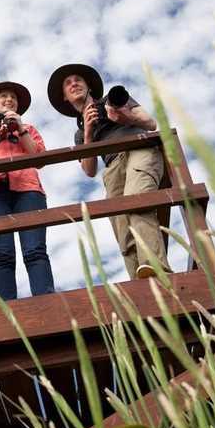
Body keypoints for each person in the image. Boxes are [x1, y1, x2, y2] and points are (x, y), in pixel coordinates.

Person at [47, 64, 168, 280]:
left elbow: (150, 123)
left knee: (137, 200)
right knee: (122, 227)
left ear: (89, 86)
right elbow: (89, 170)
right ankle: (141, 285)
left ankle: (156, 269)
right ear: (64, 96)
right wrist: (88, 133)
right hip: (112, 167)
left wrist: (125, 118)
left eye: (78, 79)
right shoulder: (79, 133)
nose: (74, 83)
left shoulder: (115, 99)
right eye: (68, 83)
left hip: (139, 150)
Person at [0, 81, 55, 301]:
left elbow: (41, 158)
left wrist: (21, 129)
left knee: (35, 250)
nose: (9, 100)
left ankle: (46, 302)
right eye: (4, 96)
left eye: (13, 98)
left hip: (28, 190)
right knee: (1, 255)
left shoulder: (29, 129)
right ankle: (5, 310)